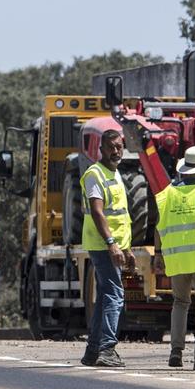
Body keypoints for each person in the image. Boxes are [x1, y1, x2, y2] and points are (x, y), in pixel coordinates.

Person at [157, 144, 195, 369]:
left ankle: (176, 353)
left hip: (176, 258)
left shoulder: (168, 193)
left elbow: (158, 227)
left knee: (180, 303)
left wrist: (157, 254)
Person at [80, 126, 134, 368]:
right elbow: (97, 211)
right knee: (115, 294)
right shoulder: (95, 174)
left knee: (104, 296)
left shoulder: (115, 174)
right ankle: (107, 349)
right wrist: (112, 244)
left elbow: (121, 216)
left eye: (119, 147)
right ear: (100, 149)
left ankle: (93, 351)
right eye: (111, 147)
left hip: (115, 245)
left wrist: (127, 247)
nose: (116, 151)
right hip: (103, 245)